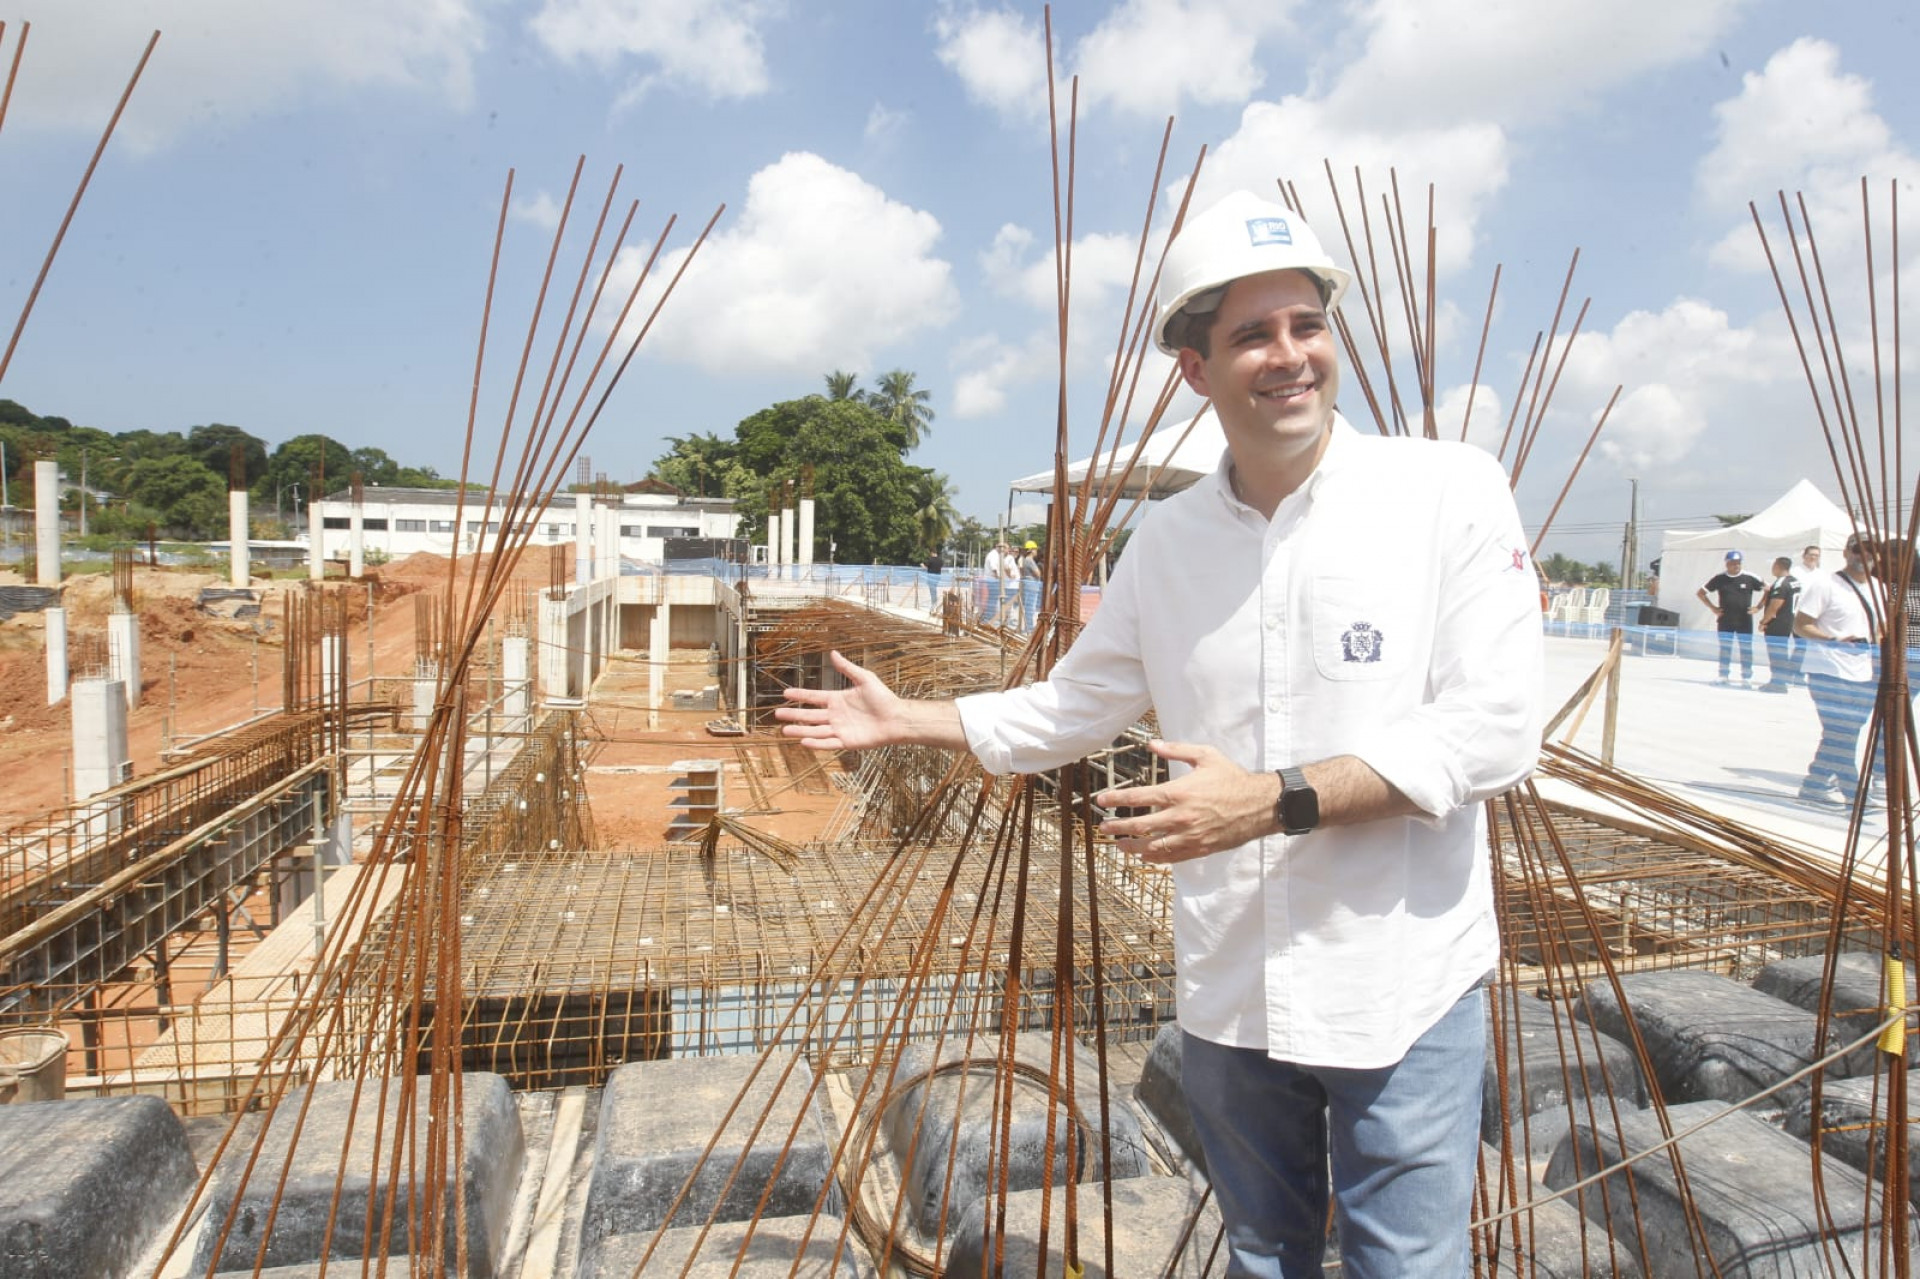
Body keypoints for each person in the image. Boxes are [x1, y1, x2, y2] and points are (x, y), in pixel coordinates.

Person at [777, 190, 1543, 1276]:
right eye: (1253, 334)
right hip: (1237, 980)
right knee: (1265, 1251)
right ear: (1195, 369)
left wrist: (1272, 799)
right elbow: (1073, 705)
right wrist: (912, 718)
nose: (1290, 355)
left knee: (1405, 1262)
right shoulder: (1171, 542)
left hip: (1401, 980)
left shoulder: (1445, 493)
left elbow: (1495, 727)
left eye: (1308, 324)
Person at [1794, 534, 1883, 807]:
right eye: (1857, 550)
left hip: (1862, 673)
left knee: (1845, 733)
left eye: (1870, 551)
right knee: (1840, 731)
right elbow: (1801, 625)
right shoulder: (1825, 585)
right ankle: (1855, 796)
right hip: (1827, 670)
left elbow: (1880, 629)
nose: (1863, 556)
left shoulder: (1878, 589)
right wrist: (1832, 640)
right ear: (1846, 552)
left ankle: (1813, 785)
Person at [1696, 551, 1765, 685]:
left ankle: (1746, 677)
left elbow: (1768, 590)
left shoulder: (1749, 577)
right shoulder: (1719, 578)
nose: (1736, 566)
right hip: (1725, 620)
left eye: (1738, 563)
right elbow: (1701, 593)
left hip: (1744, 620)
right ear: (1727, 564)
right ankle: (1723, 675)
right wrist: (1713, 608)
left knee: (1745, 648)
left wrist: (1758, 607)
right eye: (1733, 563)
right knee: (1725, 648)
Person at [1758, 555, 1802, 692]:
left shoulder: (1781, 583)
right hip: (1789, 620)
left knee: (1776, 653)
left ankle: (1778, 683)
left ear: (1777, 566)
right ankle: (1781, 680)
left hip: (1778, 623)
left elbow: (1775, 605)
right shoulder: (1795, 581)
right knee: (1781, 652)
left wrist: (1764, 621)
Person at [982, 541, 1012, 625]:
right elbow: (994, 569)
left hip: (992, 580)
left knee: (993, 600)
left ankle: (990, 619)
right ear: (998, 546)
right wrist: (999, 578)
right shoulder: (994, 555)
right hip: (993, 581)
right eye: (1003, 547)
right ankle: (989, 619)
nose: (1004, 550)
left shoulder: (996, 555)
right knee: (992, 600)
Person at [1017, 539, 1043, 633]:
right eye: (1035, 549)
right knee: (1030, 608)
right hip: (1031, 587)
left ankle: (1028, 626)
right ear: (1031, 550)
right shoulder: (1029, 560)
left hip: (1029, 586)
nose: (1036, 551)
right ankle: (1029, 627)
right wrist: (1039, 572)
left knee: (1029, 608)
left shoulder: (1026, 560)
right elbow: (1038, 574)